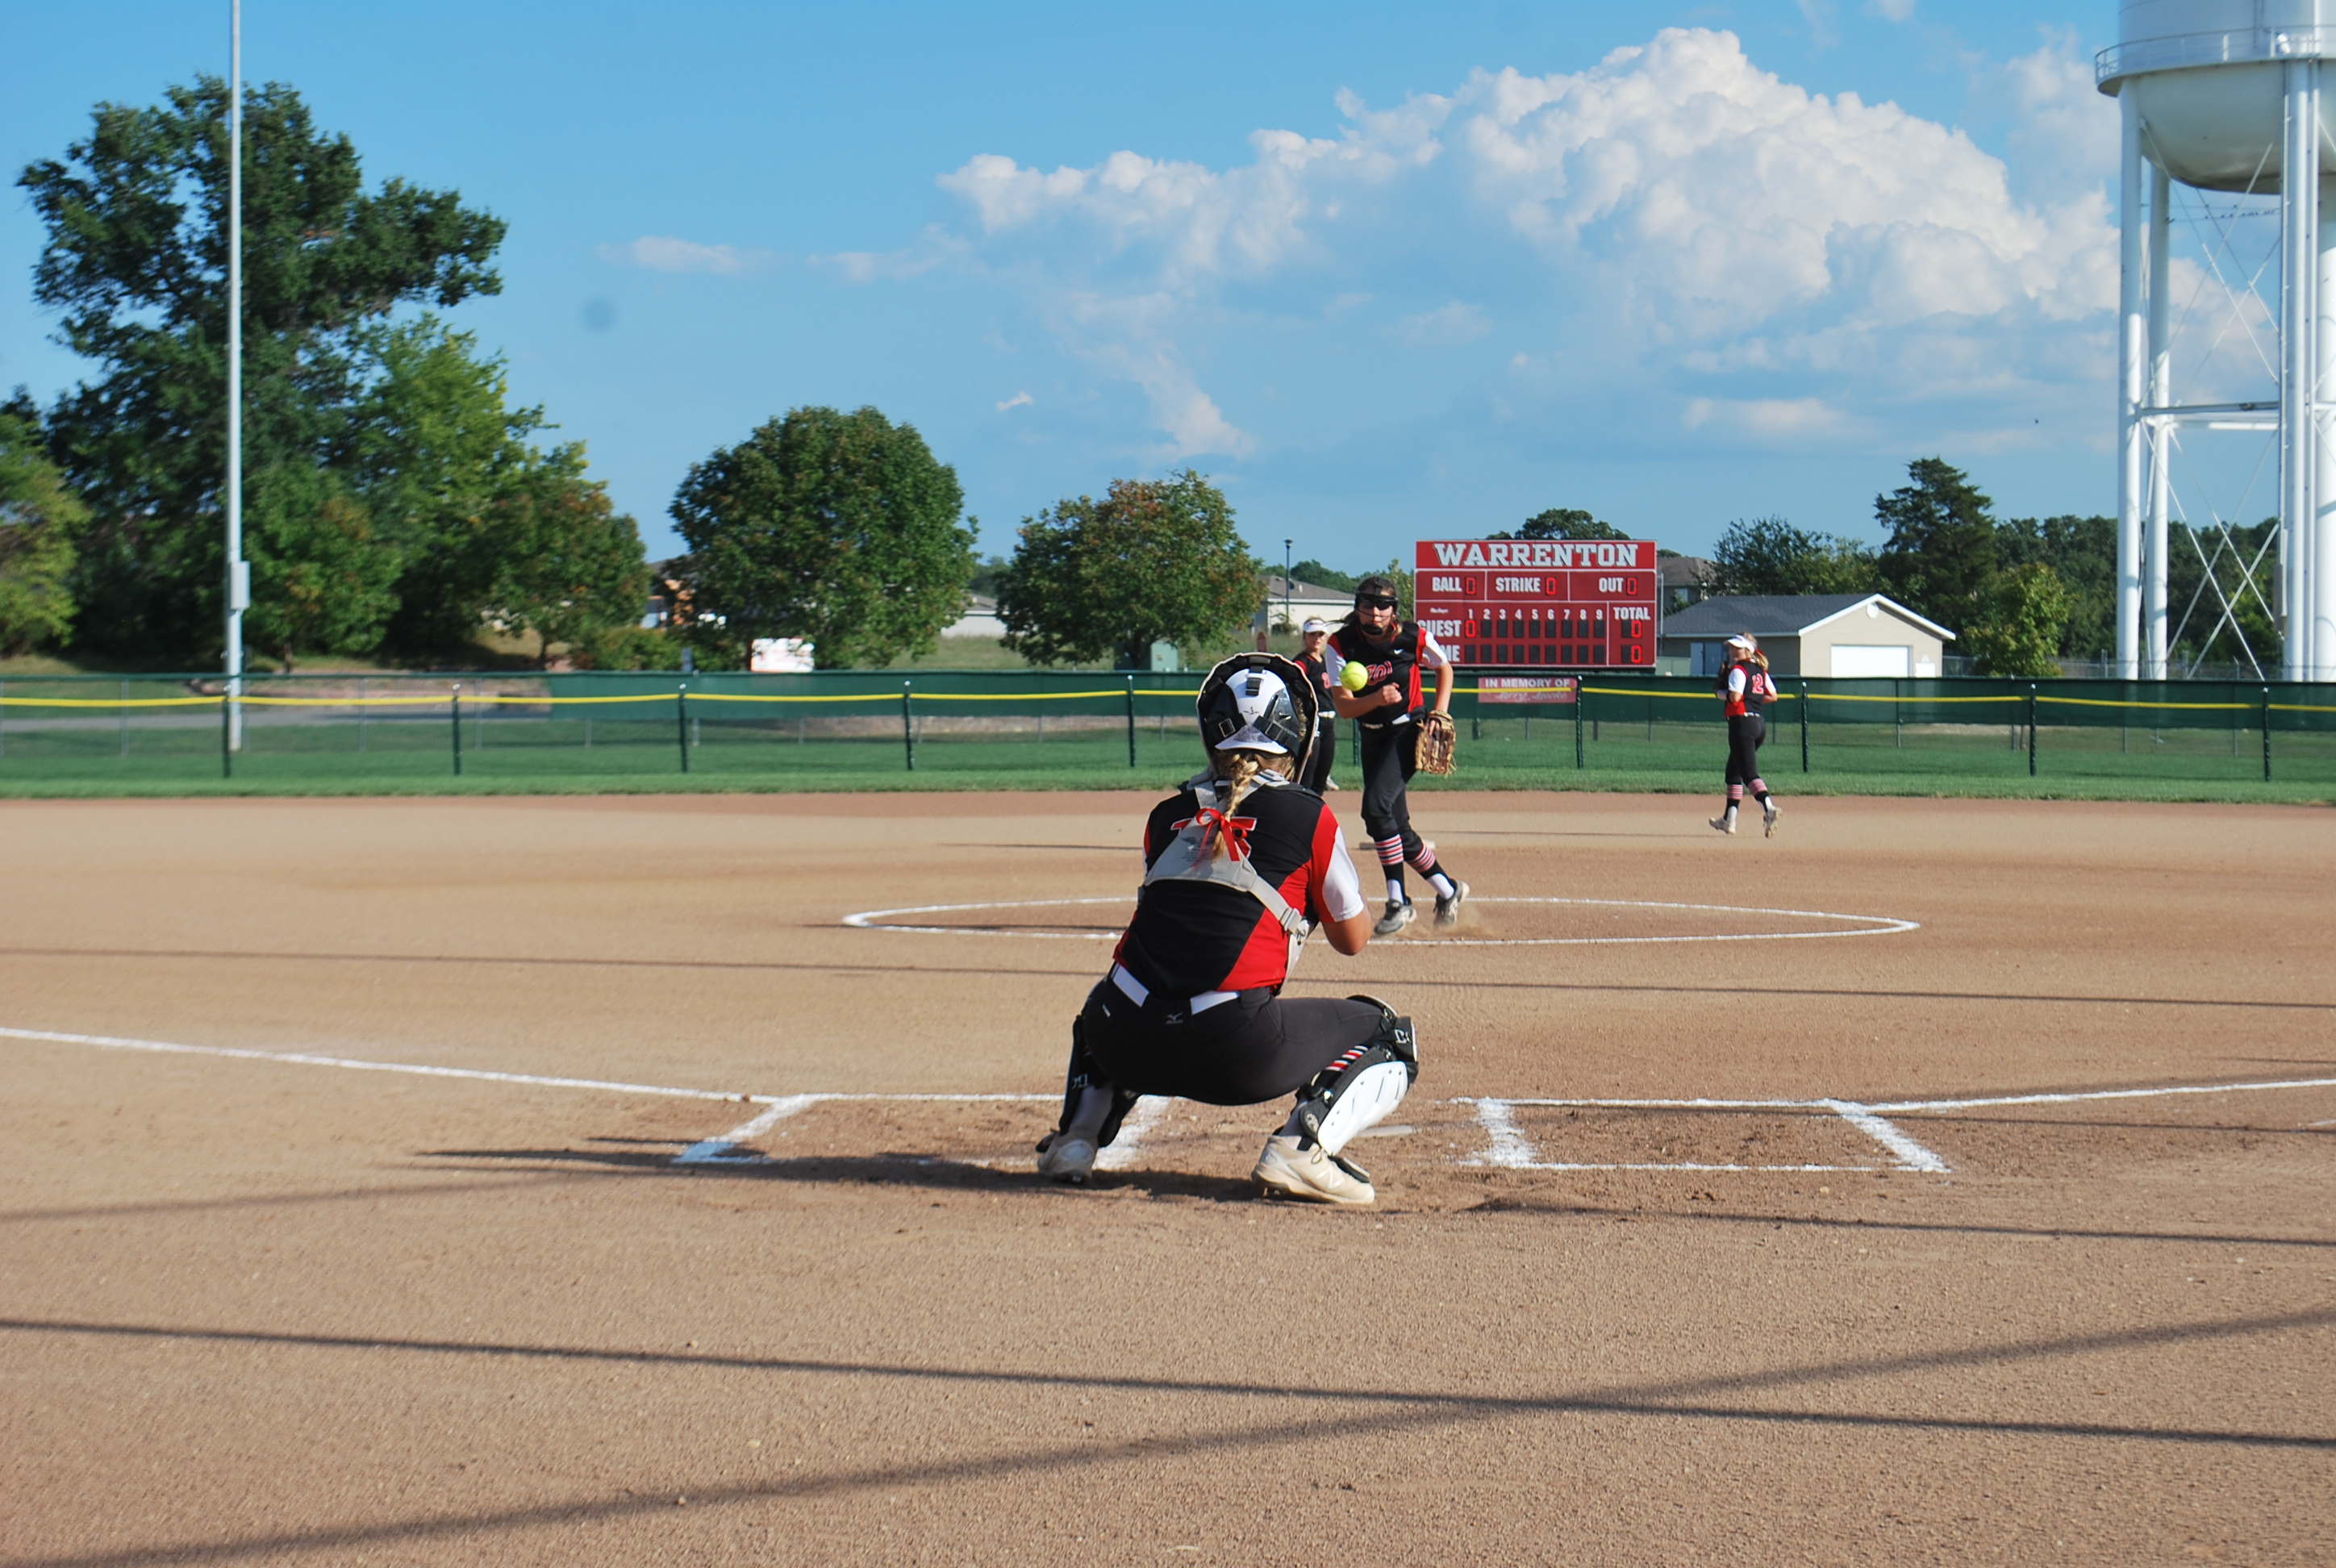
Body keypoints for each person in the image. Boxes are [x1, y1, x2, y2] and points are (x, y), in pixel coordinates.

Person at [1033, 653, 1420, 1207]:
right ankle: (1302, 1151)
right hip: (1233, 1054)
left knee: (1115, 994)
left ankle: (1076, 1139)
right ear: (1298, 738)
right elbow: (1353, 940)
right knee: (1387, 1033)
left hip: (1120, 1041)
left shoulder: (1166, 815)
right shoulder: (1309, 814)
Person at [1326, 576, 1470, 934]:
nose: (1374, 612)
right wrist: (1375, 699)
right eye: (1367, 604)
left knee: (1375, 809)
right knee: (1394, 826)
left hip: (1408, 730)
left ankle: (1398, 901)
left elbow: (1444, 667)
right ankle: (1448, 890)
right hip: (1372, 735)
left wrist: (1440, 712)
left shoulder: (1412, 637)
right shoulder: (1340, 644)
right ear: (1357, 606)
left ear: (1394, 611)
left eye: (1383, 606)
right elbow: (1344, 708)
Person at [1711, 632, 1781, 836]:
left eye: (1737, 648)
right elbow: (1772, 696)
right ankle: (1729, 820)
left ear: (1748, 650)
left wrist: (1719, 693)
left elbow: (1734, 697)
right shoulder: (1760, 670)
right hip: (1758, 724)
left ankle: (1769, 809)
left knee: (1749, 774)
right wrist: (1753, 700)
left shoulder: (1739, 670)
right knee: (1733, 771)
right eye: (1732, 648)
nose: (1733, 651)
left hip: (1742, 725)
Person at [1292, 617, 1342, 794]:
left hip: (1329, 721)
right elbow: (1293, 692)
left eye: (1320, 634)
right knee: (1307, 776)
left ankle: (1316, 817)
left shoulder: (1327, 661)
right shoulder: (1302, 662)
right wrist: (1302, 729)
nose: (1317, 638)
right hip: (1313, 721)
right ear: (1305, 637)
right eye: (1312, 634)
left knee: (1322, 776)